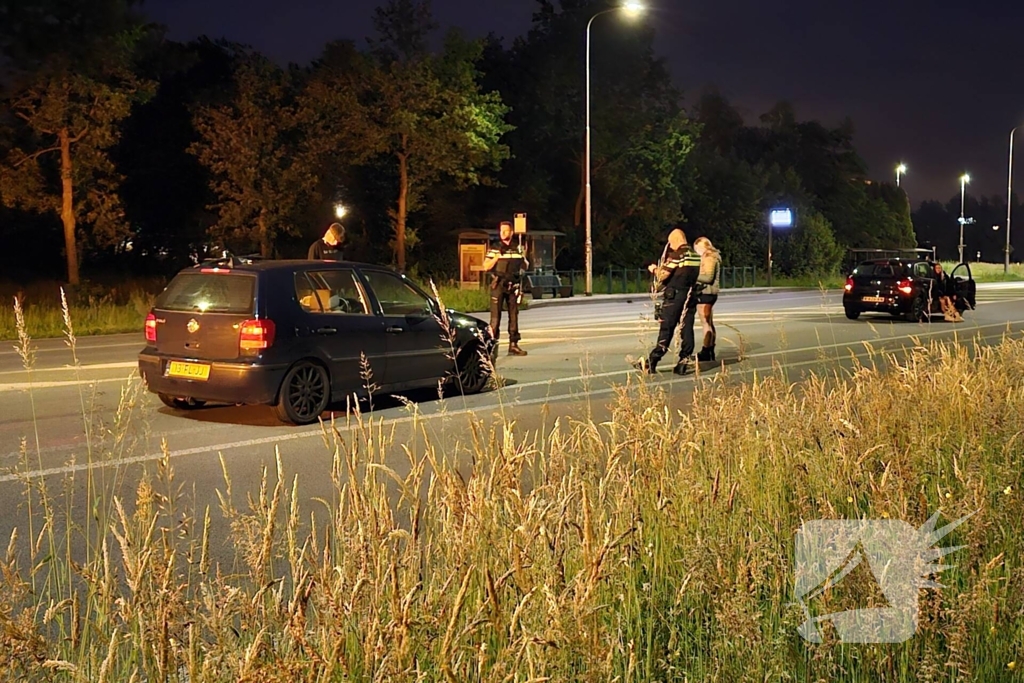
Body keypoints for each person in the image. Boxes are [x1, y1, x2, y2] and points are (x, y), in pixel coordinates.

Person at [636, 228, 702, 375]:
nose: (670, 246)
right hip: (690, 296)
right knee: (686, 329)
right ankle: (683, 362)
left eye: (671, 243)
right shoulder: (696, 256)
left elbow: (663, 275)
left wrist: (654, 269)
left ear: (677, 240)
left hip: (674, 297)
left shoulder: (677, 255)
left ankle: (652, 361)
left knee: (666, 328)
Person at [482, 221, 529, 356]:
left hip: (513, 286)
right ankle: (491, 347)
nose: (503, 233)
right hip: (499, 285)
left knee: (514, 316)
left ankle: (513, 345)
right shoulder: (495, 247)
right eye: (501, 230)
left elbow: (525, 265)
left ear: (511, 232)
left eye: (506, 231)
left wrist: (523, 262)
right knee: (495, 318)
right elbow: (485, 266)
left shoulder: (517, 248)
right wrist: (496, 257)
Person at [693, 236, 722, 361]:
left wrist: (693, 275)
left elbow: (708, 278)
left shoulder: (709, 258)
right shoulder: (712, 257)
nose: (696, 252)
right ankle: (710, 350)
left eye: (697, 249)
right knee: (709, 322)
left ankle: (706, 350)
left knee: (705, 323)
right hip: (709, 293)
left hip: (706, 293)